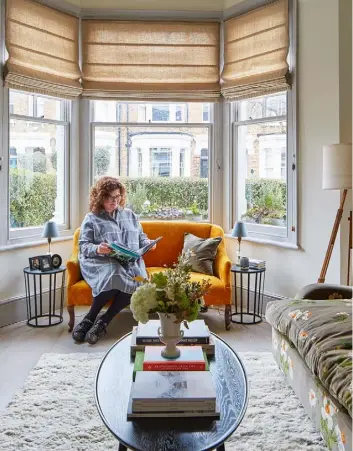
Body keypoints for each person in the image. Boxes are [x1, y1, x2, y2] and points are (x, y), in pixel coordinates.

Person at [72, 176, 154, 345]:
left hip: (130, 261)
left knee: (139, 280)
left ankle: (103, 321)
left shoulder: (130, 215)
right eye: (109, 197)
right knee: (114, 273)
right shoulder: (91, 218)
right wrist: (98, 249)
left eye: (117, 197)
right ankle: (90, 318)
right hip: (102, 260)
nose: (114, 201)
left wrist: (148, 244)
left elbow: (141, 237)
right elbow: (83, 246)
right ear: (100, 197)